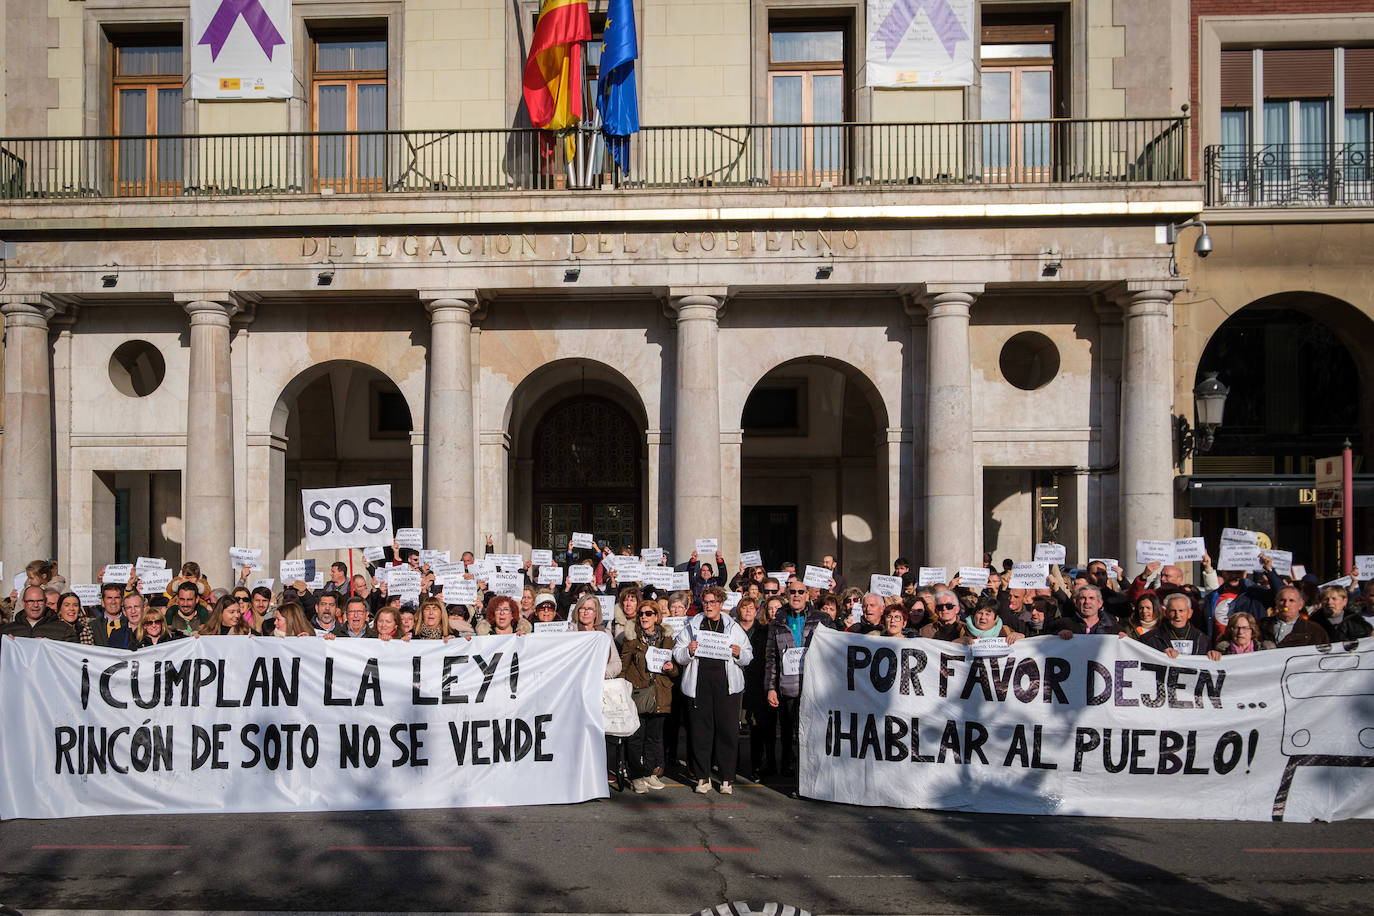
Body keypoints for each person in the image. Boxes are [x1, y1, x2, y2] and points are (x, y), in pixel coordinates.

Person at [673, 586, 753, 794]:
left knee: (727, 732)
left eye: (713, 602)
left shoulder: (733, 627)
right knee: (701, 732)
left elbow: (748, 655)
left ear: (721, 604)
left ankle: (726, 778)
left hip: (727, 687)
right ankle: (703, 777)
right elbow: (677, 653)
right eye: (706, 602)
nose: (709, 606)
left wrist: (738, 653)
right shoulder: (692, 626)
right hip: (699, 685)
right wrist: (687, 651)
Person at [765, 580, 820, 778]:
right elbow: (771, 657)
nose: (796, 595)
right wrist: (771, 687)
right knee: (788, 731)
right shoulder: (777, 621)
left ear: (807, 595)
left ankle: (811, 771)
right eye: (793, 592)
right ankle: (789, 767)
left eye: (800, 592)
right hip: (788, 686)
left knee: (812, 732)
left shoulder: (821, 619)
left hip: (814, 687)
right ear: (787, 595)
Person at [621, 599, 677, 793]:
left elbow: (676, 670)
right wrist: (621, 690)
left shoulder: (667, 639)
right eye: (641, 614)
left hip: (660, 693)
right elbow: (623, 666)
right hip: (638, 692)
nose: (644, 617)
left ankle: (648, 773)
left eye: (648, 614)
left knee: (653, 737)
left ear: (656, 617)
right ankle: (636, 776)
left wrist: (671, 669)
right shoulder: (632, 639)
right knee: (636, 736)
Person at [1259, 585, 1330, 648]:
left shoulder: (1315, 631)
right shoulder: (1260, 625)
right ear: (1276, 603)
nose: (1286, 604)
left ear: (1300, 605)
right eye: (1282, 600)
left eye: (1291, 600)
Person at [1143, 593, 1210, 657]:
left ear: (1190, 613)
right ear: (1166, 613)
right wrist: (1161, 655)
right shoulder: (1150, 639)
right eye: (1173, 611)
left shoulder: (1203, 639)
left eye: (1181, 611)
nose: (1177, 615)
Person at [0, 586, 79, 641]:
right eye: (31, 601)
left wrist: (50, 645)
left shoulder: (64, 630)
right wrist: (6, 644)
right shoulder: (7, 630)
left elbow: (73, 658)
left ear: (45, 603)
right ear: (23, 603)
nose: (35, 605)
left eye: (40, 601)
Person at [1048, 585, 1123, 639]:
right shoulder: (1063, 624)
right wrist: (1057, 635)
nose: (1087, 602)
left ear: (1100, 603)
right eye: (1083, 598)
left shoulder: (1115, 628)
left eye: (1091, 598)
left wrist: (1124, 640)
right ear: (1076, 603)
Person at [1207, 612, 1272, 659]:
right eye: (1236, 628)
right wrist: (1213, 656)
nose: (1240, 632)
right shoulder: (1221, 652)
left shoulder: (1266, 650)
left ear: (1252, 631)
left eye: (1245, 628)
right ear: (1230, 630)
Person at [91, 582, 132, 648]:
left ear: (122, 601)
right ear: (102, 602)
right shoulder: (93, 626)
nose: (113, 602)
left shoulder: (130, 623)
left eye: (117, 597)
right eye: (109, 598)